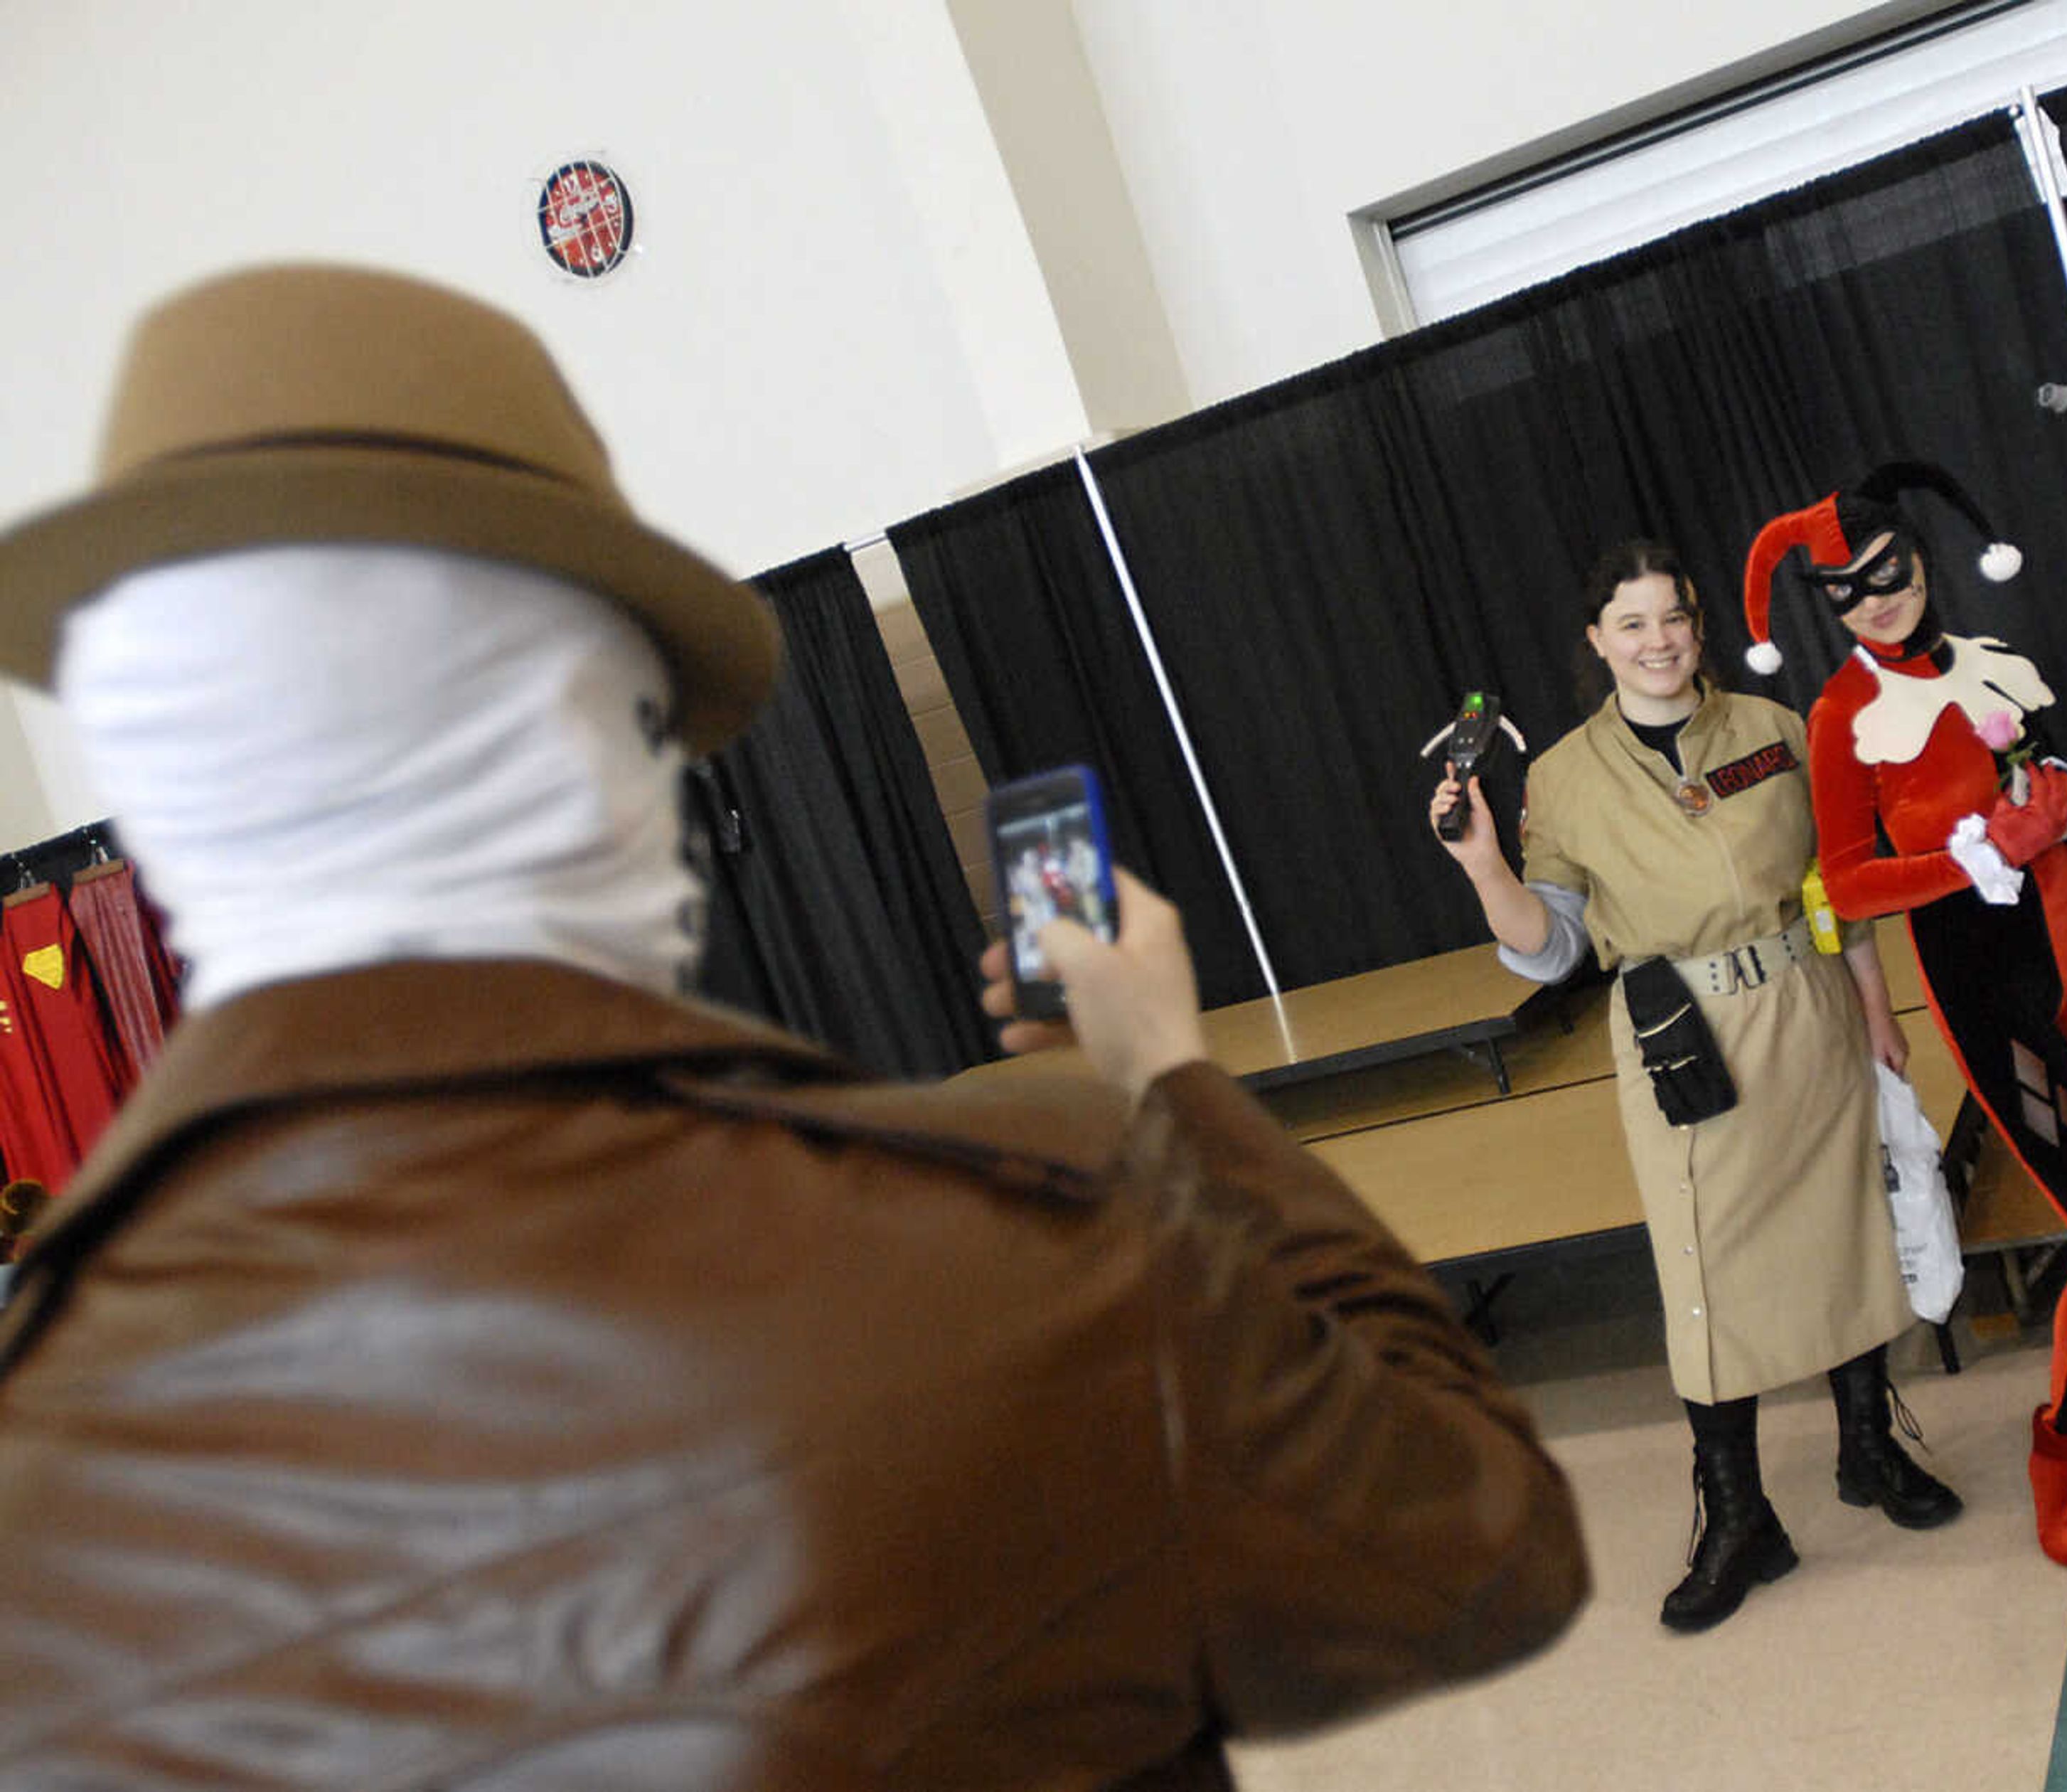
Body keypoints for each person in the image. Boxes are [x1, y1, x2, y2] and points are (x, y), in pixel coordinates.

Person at [0, 263, 1589, 1788]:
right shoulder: (1026, 1228)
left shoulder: (39, 1424)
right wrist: (1167, 1080)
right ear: (593, 745)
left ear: (162, 779)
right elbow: (1480, 1548)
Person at [1429, 538, 1960, 1636]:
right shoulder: (1564, 778)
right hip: (1685, 1036)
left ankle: (1869, 1449)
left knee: (1847, 1232)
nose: (1658, 640)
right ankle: (1739, 1518)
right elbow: (1551, 945)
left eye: (1673, 617)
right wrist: (1485, 863)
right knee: (1705, 1276)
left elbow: (1837, 890)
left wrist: (1875, 1015)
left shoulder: (1773, 733)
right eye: (1632, 623)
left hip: (1807, 1007)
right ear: (1597, 641)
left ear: (1698, 625)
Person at [1746, 464, 2067, 1569]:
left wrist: (2059, 802)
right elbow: (1844, 885)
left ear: (1923, 560)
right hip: (1993, 988)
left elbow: (2043, 777)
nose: (1876, 597)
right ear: (1828, 606)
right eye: (1847, 588)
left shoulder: (1994, 663)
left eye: (1889, 570)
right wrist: (1973, 852)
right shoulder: (1840, 717)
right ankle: (2065, 1456)